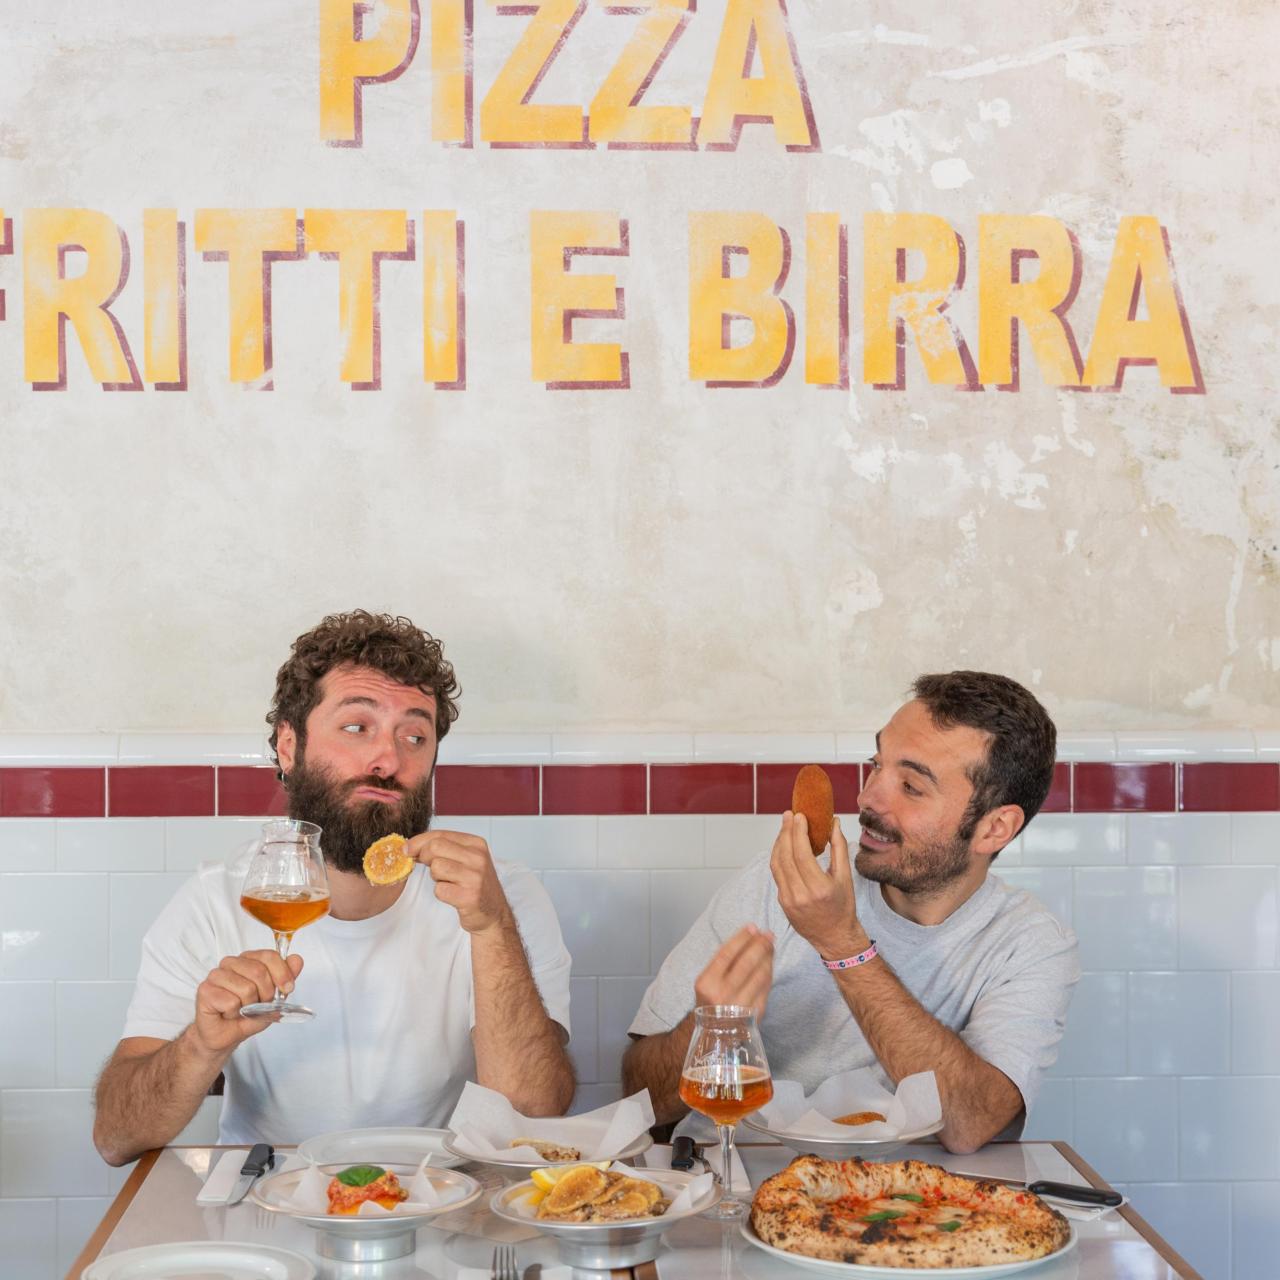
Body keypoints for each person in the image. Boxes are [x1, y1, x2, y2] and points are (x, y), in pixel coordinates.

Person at [94, 611, 574, 1165]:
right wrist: (199, 1047)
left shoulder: (499, 896)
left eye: (415, 736)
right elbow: (114, 1138)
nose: (389, 759)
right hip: (266, 1203)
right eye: (356, 728)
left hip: (443, 1198)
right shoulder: (214, 901)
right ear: (289, 746)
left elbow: (534, 1118)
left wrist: (491, 928)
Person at [622, 671, 1079, 1155]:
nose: (868, 799)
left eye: (910, 786)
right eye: (875, 765)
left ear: (994, 828)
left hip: (912, 1203)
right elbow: (639, 1098)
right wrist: (708, 1027)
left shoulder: (1029, 944)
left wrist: (842, 944)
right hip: (736, 1179)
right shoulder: (780, 885)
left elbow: (970, 1124)